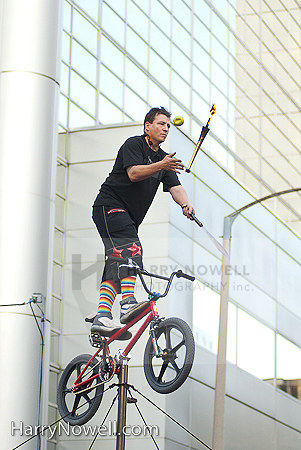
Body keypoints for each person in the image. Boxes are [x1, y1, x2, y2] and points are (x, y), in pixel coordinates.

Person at [87, 107, 195, 340]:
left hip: (127, 218)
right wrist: (162, 166)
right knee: (132, 249)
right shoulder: (134, 145)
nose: (166, 128)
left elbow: (175, 187)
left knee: (118, 265)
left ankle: (102, 316)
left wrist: (185, 204)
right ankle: (127, 304)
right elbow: (134, 173)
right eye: (161, 123)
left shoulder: (163, 160)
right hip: (109, 206)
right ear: (147, 126)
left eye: (168, 125)